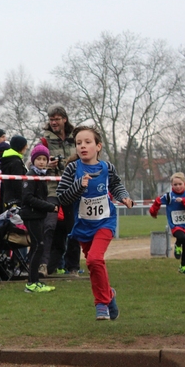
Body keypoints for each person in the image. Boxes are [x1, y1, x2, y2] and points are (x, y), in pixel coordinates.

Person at [57, 125, 133, 321]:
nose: (82, 146)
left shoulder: (107, 168)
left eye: (87, 142)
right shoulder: (72, 169)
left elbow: (116, 185)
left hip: (105, 222)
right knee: (94, 265)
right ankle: (109, 295)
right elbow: (62, 197)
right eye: (78, 143)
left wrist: (124, 197)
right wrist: (78, 186)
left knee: (94, 259)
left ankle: (101, 304)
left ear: (98, 146)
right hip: (84, 226)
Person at [41, 104, 80, 278]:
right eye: (51, 119)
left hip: (72, 189)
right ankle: (44, 265)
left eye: (57, 119)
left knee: (73, 228)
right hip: (52, 190)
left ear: (65, 119)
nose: (54, 122)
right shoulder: (44, 141)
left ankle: (73, 267)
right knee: (49, 226)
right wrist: (46, 165)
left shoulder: (76, 138)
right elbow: (33, 163)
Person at [20, 144, 58, 293]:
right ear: (33, 160)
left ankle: (34, 281)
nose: (42, 162)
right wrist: (49, 206)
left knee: (38, 247)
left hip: (38, 215)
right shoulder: (31, 176)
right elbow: (28, 198)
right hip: (31, 215)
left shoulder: (42, 175)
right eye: (39, 159)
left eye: (44, 159)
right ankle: (32, 283)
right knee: (38, 246)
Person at [149, 172, 185, 274]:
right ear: (171, 185)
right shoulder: (169, 196)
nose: (178, 187)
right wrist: (153, 212)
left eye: (180, 184)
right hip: (175, 225)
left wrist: (184, 201)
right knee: (182, 238)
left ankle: (183, 267)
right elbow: (158, 201)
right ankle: (177, 245)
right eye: (175, 184)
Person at [0, 135, 29, 210]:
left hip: (8, 198)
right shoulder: (16, 162)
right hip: (15, 200)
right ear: (20, 146)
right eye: (25, 145)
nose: (27, 147)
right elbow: (17, 183)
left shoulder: (9, 159)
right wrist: (24, 197)